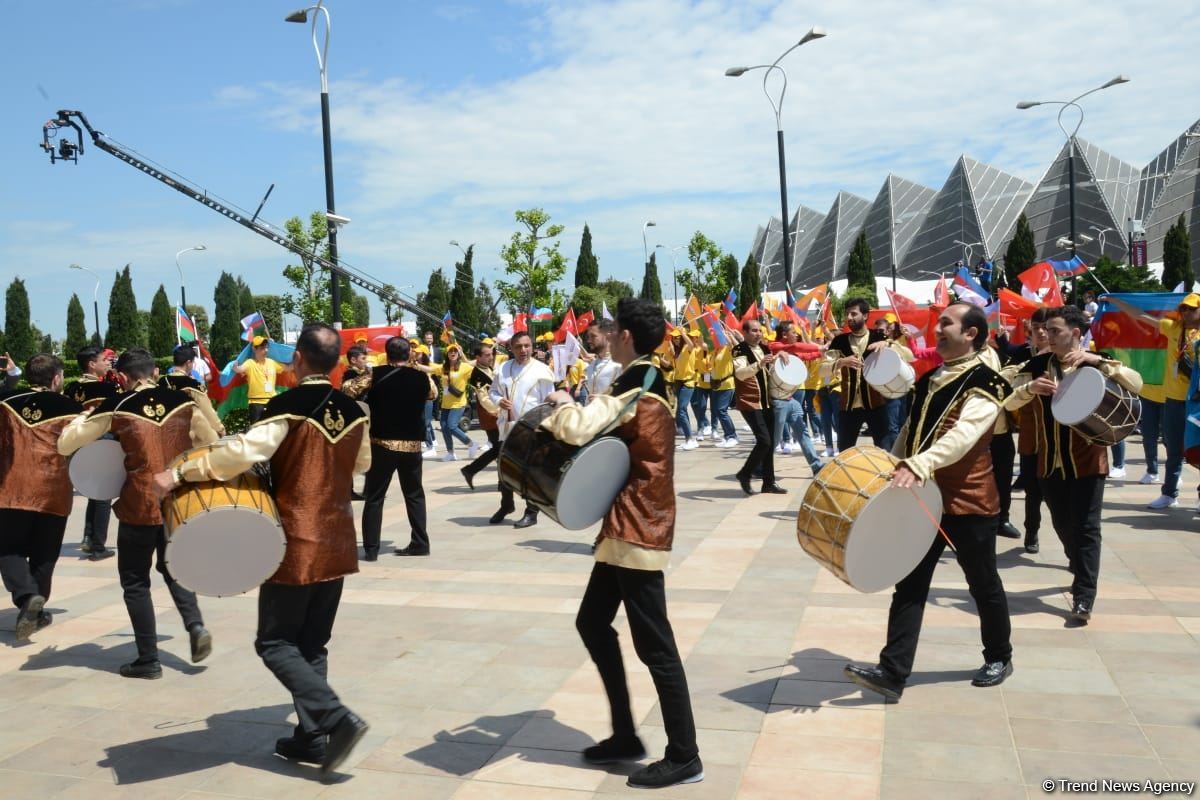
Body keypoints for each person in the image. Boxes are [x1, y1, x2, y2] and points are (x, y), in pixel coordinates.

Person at [152, 323, 371, 774]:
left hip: (295, 538)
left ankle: (334, 718)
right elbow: (363, 462)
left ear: (300, 360)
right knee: (312, 643)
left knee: (274, 642)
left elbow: (244, 453)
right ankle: (311, 738)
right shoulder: (355, 409)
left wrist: (180, 474)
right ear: (335, 363)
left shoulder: (288, 405)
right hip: (338, 538)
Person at [539, 297, 703, 789]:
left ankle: (684, 754)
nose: (606, 335)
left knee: (657, 646)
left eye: (612, 330)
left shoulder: (638, 381)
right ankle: (626, 735)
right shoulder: (649, 374)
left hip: (638, 527)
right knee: (592, 621)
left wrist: (565, 406)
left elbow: (581, 428)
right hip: (628, 523)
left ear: (626, 336)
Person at [845, 303, 1015, 701]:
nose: (936, 329)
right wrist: (892, 464)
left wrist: (919, 464)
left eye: (945, 323)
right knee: (910, 583)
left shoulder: (986, 383)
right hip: (923, 498)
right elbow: (911, 428)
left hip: (968, 499)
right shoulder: (933, 378)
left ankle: (1000, 655)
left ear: (971, 333)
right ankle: (892, 671)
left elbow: (964, 436)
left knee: (983, 582)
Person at [58, 348, 218, 678]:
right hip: (177, 499)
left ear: (125, 378)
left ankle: (148, 659)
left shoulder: (117, 406)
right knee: (174, 567)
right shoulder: (185, 403)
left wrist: (82, 416)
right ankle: (195, 624)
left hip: (139, 502)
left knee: (135, 581)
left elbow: (67, 443)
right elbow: (211, 440)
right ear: (155, 373)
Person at [1005, 306, 1142, 623]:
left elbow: (1137, 384)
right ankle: (1078, 562)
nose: (1046, 335)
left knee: (1087, 527)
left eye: (1054, 330)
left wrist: (1100, 362)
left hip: (1089, 461)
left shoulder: (1099, 361)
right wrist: (1028, 389)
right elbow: (1008, 401)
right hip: (1050, 461)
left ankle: (1083, 596)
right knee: (1063, 524)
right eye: (1045, 330)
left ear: (1076, 333)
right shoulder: (1038, 365)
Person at [1, 355, 82, 641]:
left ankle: (27, 599)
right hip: (55, 490)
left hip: (13, 487)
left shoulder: (6, 402)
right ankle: (35, 605)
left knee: (7, 548)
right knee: (45, 553)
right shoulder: (72, 408)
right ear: (57, 378)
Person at [1107, 293, 1200, 508]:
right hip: (1174, 400)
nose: (1186, 312)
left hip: (1196, 402)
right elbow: (1140, 315)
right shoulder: (1174, 328)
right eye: (1183, 308)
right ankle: (1169, 494)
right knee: (1173, 448)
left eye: (1192, 309)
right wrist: (1115, 301)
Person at [344, 337, 433, 558]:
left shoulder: (375, 374)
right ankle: (420, 543)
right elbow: (433, 394)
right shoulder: (421, 376)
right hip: (412, 446)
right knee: (414, 495)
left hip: (382, 444)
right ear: (409, 354)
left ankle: (372, 549)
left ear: (387, 353)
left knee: (375, 497)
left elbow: (347, 390)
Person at [479, 330, 556, 528]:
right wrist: (498, 400)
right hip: (506, 425)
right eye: (519, 346)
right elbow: (494, 391)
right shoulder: (503, 368)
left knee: (529, 471)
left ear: (532, 346)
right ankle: (506, 505)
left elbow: (550, 402)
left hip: (531, 427)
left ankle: (532, 511)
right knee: (504, 467)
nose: (523, 350)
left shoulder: (542, 370)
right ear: (511, 348)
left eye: (527, 345)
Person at [826, 299, 909, 450]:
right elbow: (822, 369)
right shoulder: (839, 341)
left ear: (865, 316)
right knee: (845, 452)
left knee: (885, 449)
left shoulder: (879, 337)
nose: (849, 318)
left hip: (876, 405)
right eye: (847, 314)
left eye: (853, 314)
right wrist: (841, 362)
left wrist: (887, 344)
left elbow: (906, 356)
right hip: (848, 407)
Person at [63, 346, 121, 560]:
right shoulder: (105, 389)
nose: (107, 363)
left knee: (94, 493)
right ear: (91, 364)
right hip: (101, 443)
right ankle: (98, 546)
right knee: (103, 494)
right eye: (103, 360)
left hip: (79, 444)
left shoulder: (71, 387)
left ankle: (88, 538)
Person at [732, 319, 783, 495]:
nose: (758, 334)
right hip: (750, 401)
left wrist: (779, 358)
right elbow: (740, 374)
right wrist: (759, 364)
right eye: (754, 331)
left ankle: (769, 483)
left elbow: (771, 372)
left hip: (767, 401)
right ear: (745, 333)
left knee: (769, 444)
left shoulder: (765, 348)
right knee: (764, 441)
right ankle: (745, 473)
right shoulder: (739, 350)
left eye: (760, 331)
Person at [767, 321, 824, 475]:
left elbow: (807, 354)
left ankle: (816, 465)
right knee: (774, 439)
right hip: (778, 402)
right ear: (784, 334)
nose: (797, 335)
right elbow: (796, 347)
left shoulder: (791, 351)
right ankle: (760, 467)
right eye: (794, 332)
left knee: (803, 432)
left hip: (791, 401)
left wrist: (822, 351)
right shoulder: (774, 346)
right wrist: (819, 347)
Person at [160, 345, 225, 437]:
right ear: (188, 363)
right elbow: (207, 410)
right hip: (188, 434)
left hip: (167, 433)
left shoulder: (162, 381)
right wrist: (220, 429)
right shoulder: (192, 384)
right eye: (193, 362)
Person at [460, 342, 500, 490]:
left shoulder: (488, 368)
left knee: (499, 449)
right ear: (478, 357)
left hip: (495, 414)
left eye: (491, 354)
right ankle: (504, 483)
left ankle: (470, 470)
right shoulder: (477, 374)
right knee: (500, 449)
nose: (491, 357)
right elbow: (484, 399)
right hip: (490, 415)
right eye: (487, 355)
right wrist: (499, 409)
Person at [427, 343, 474, 461]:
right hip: (446, 403)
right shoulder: (444, 368)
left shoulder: (464, 367)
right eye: (450, 351)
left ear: (458, 354)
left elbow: (473, 366)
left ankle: (471, 444)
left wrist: (463, 354)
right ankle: (451, 453)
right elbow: (430, 368)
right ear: (447, 354)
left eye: (455, 351)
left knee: (452, 426)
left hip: (458, 403)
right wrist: (416, 365)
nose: (452, 353)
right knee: (444, 427)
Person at [235, 336, 290, 424]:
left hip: (272, 402)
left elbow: (287, 368)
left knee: (273, 430)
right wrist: (236, 367)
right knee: (257, 430)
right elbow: (240, 369)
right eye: (262, 348)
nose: (266, 350)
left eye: (266, 347)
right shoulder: (250, 363)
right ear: (254, 349)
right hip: (256, 403)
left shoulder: (272, 362)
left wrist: (300, 359)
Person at [581, 319, 622, 404]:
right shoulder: (591, 366)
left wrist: (603, 399)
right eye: (588, 337)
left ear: (608, 336)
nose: (589, 341)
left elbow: (627, 398)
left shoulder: (619, 364)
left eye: (593, 336)